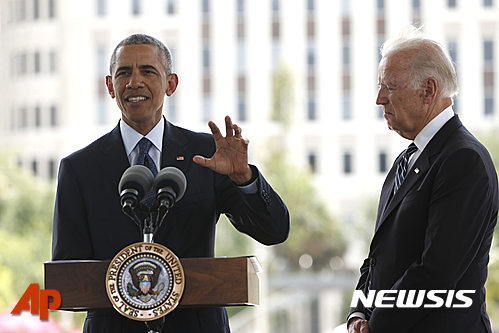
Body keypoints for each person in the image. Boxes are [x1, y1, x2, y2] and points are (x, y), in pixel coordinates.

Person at [51, 34, 290, 333]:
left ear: (171, 84)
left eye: (148, 71)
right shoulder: (79, 168)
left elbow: (275, 230)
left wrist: (244, 178)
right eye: (124, 72)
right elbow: (67, 275)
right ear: (110, 86)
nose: (134, 82)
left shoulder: (207, 155)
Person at [347, 25, 498, 333]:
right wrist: (358, 312)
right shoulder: (407, 158)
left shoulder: (464, 160)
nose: (379, 99)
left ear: (428, 90)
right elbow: (377, 258)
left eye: (389, 86)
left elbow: (436, 273)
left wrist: (375, 325)